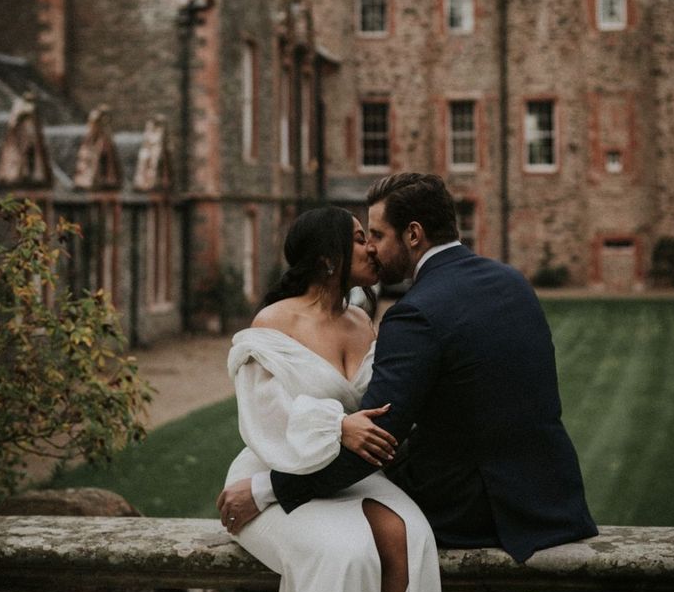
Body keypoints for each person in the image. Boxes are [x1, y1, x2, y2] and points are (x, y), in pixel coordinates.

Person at [32, 206, 450, 592]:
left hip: (345, 477)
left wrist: (361, 435)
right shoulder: (273, 322)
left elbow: (383, 408)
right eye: (360, 241)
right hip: (272, 478)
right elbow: (268, 420)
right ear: (328, 258)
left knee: (414, 537)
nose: (372, 250)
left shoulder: (365, 323)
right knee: (345, 557)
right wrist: (338, 428)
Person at [220, 172, 598, 563]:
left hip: (476, 510)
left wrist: (268, 490)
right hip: (551, 496)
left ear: (413, 235)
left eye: (378, 236)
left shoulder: (415, 313)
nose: (373, 251)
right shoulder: (512, 281)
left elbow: (378, 439)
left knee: (362, 521)